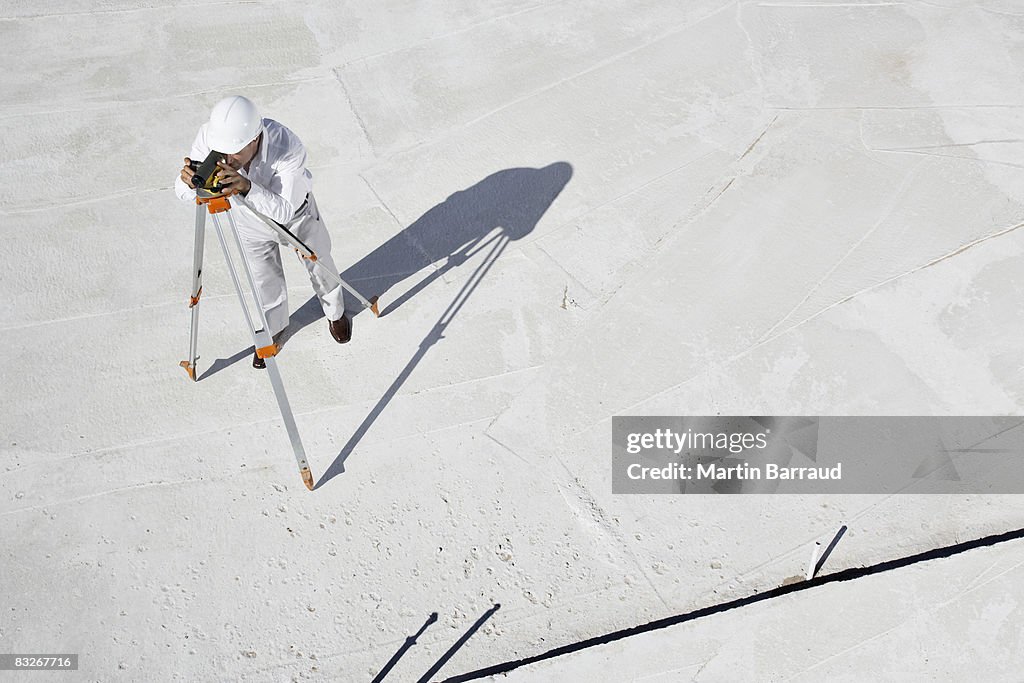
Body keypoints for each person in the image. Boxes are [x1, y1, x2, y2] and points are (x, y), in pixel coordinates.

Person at [174, 96, 351, 369]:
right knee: (263, 280)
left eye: (234, 152)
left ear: (255, 138)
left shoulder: (287, 146)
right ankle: (274, 329)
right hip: (248, 220)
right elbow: (181, 191)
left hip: (296, 217)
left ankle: (335, 312)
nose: (226, 160)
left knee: (320, 265)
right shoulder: (211, 137)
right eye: (221, 152)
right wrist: (188, 183)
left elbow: (283, 211)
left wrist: (245, 186)